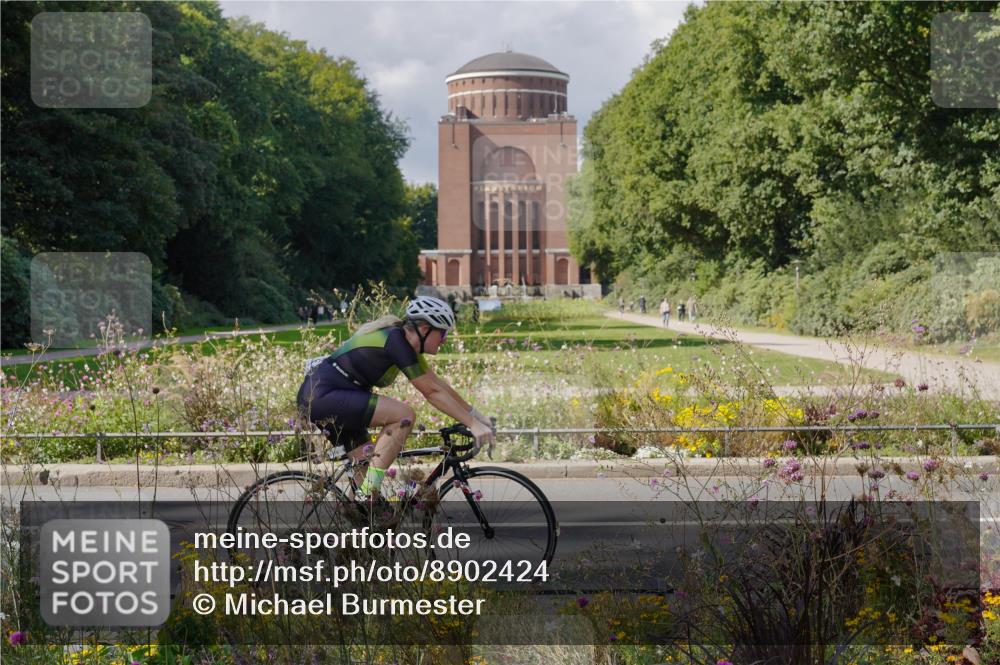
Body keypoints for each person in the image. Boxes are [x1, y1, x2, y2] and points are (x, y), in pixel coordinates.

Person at [297, 296, 495, 504]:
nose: (445, 339)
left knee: (367, 485)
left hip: (332, 397)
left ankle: (356, 518)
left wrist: (477, 417)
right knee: (404, 416)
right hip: (323, 396)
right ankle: (367, 494)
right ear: (425, 329)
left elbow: (438, 385)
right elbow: (431, 393)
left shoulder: (404, 344)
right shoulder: (395, 341)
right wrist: (472, 425)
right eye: (443, 332)